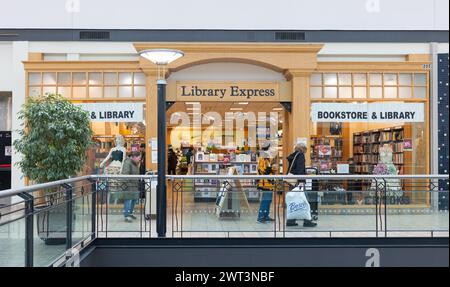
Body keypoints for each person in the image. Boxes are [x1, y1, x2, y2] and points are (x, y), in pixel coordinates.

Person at [286, 143, 317, 227]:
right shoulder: (300, 155)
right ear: (302, 149)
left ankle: (290, 220)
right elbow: (300, 169)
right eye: (305, 149)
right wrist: (301, 181)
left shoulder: (293, 155)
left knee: (293, 201)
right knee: (304, 201)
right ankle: (307, 221)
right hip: (298, 182)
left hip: (292, 182)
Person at [256, 141, 276, 223]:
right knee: (265, 200)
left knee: (268, 200)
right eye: (272, 147)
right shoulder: (263, 156)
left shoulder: (266, 156)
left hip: (268, 182)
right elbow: (263, 169)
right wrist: (272, 168)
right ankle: (261, 217)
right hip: (265, 182)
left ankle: (266, 215)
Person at [121, 151, 142, 222]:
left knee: (134, 200)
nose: (140, 159)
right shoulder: (127, 163)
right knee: (128, 200)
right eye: (139, 158)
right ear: (134, 157)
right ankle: (126, 216)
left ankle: (130, 213)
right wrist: (128, 185)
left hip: (134, 185)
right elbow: (125, 175)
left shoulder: (135, 163)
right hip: (129, 186)